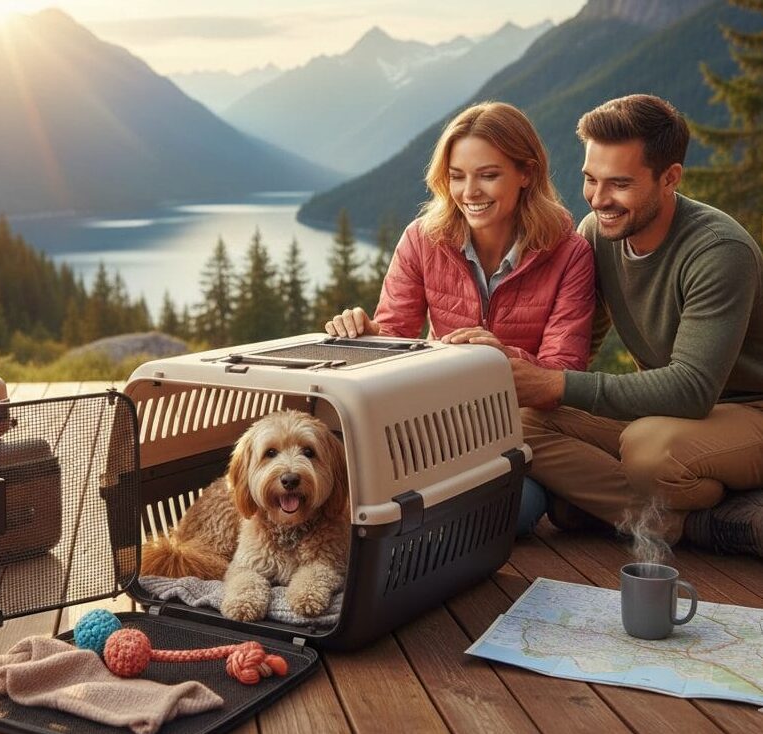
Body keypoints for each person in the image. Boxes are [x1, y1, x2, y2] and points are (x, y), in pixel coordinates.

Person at [324, 101, 596, 536]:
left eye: (488, 175)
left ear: (526, 173)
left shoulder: (570, 253)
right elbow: (396, 336)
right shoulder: (422, 239)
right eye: (457, 176)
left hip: (515, 436)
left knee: (516, 509)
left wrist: (494, 357)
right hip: (433, 430)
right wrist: (370, 335)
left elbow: (562, 377)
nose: (469, 191)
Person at [511, 94, 763, 557]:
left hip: (747, 411)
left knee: (650, 454)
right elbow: (578, 345)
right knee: (520, 421)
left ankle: (633, 507)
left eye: (620, 184)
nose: (600, 199)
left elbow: (691, 389)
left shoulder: (719, 251)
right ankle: (685, 519)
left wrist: (558, 387)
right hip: (670, 417)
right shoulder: (598, 233)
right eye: (591, 179)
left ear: (670, 178)